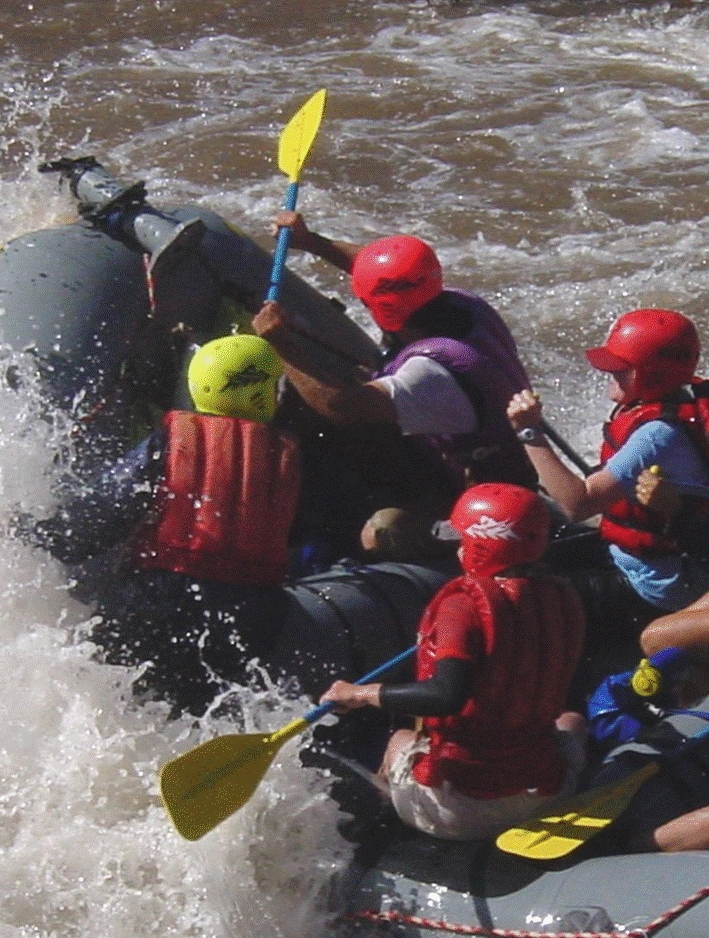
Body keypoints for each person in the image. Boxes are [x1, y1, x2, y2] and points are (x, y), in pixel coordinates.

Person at [18, 333, 300, 713]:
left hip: (159, 599)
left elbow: (97, 519)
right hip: (249, 612)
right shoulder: (288, 454)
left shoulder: (171, 443)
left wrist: (30, 533)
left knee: (124, 703)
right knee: (210, 710)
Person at [318, 483, 587, 841]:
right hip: (544, 793)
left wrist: (359, 693)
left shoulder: (461, 607)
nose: (458, 549)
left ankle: (382, 833)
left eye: (462, 541)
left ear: (481, 544)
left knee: (399, 739)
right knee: (571, 721)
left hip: (461, 807)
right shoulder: (560, 596)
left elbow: (445, 695)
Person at [251, 222, 537, 523]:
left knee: (383, 527)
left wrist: (281, 345)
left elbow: (342, 407)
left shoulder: (427, 374)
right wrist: (312, 242)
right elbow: (393, 277)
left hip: (484, 498)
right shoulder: (464, 304)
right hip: (491, 443)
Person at [507, 309, 709, 636]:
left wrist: (529, 433)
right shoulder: (671, 402)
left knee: (530, 600)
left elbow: (578, 505)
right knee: (529, 557)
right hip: (633, 558)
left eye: (620, 369)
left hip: (657, 584)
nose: (608, 374)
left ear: (652, 377)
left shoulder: (658, 435)